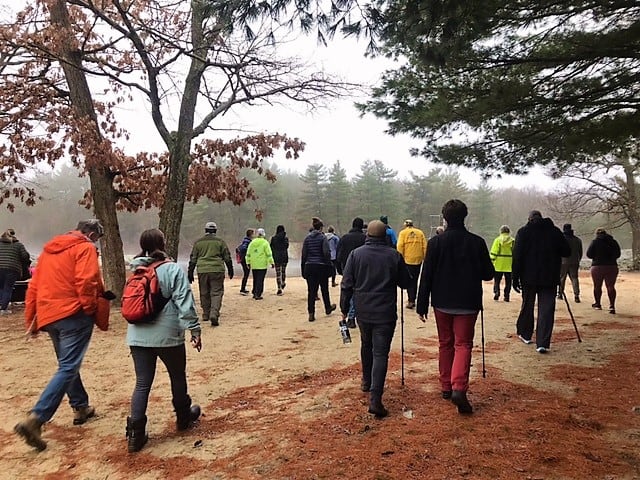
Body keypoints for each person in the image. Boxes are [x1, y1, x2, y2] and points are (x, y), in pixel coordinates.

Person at [14, 219, 106, 451]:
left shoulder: (48, 250)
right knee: (68, 366)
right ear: (92, 234)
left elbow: (34, 286)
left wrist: (32, 318)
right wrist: (89, 308)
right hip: (73, 313)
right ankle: (36, 418)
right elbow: (87, 280)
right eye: (98, 239)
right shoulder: (85, 248)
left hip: (49, 315)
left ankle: (80, 406)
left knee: (67, 363)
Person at [125, 229, 202, 453]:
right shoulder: (172, 269)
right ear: (163, 243)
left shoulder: (136, 270)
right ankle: (183, 418)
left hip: (137, 335)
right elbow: (184, 302)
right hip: (168, 335)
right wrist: (194, 329)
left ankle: (135, 435)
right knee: (177, 375)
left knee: (142, 383)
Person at [416, 200, 494, 415]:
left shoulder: (435, 243)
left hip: (441, 301)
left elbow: (427, 276)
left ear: (445, 218)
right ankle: (458, 386)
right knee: (463, 344)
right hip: (468, 302)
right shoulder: (476, 242)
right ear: (465, 216)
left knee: (445, 343)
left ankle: (446, 386)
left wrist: (421, 303)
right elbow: (488, 273)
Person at [340, 219, 411, 418]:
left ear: (368, 235)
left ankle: (366, 381)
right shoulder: (393, 255)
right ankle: (375, 398)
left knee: (366, 345)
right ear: (384, 235)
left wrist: (344, 309)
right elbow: (405, 283)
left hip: (363, 311)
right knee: (381, 353)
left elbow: (346, 284)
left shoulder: (356, 255)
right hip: (385, 312)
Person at [512, 210, 570, 354]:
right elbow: (566, 251)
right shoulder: (554, 232)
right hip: (550, 277)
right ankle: (542, 343)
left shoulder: (523, 232)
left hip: (528, 277)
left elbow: (517, 256)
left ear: (529, 219)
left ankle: (525, 334)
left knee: (527, 305)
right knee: (546, 310)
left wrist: (515, 277)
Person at [188, 222, 234, 327]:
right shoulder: (220, 242)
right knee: (216, 292)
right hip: (217, 269)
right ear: (215, 231)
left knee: (204, 292)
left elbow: (193, 259)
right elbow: (227, 257)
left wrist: (190, 272)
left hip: (202, 270)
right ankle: (214, 313)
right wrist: (230, 269)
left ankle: (206, 313)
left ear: (205, 230)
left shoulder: (198, 243)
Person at [301, 217, 336, 322]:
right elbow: (326, 252)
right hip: (321, 266)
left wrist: (303, 267)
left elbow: (304, 254)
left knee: (311, 291)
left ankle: (311, 313)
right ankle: (327, 308)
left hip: (309, 266)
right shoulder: (322, 238)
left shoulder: (307, 238)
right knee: (324, 288)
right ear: (321, 228)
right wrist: (328, 264)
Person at [336, 217, 367, 328]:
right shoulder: (365, 238)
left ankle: (349, 315)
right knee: (358, 292)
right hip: (362, 269)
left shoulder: (344, 238)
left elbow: (338, 256)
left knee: (348, 291)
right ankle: (355, 316)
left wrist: (339, 269)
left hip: (347, 268)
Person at [586, 227, 621, 314]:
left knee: (597, 286)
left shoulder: (595, 242)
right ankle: (612, 306)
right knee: (610, 286)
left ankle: (598, 304)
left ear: (597, 234)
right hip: (612, 266)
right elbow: (618, 254)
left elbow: (589, 254)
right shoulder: (613, 242)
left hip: (597, 266)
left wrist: (596, 257)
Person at [396, 219, 427, 309]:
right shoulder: (420, 233)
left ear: (405, 225)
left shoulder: (403, 233)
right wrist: (425, 257)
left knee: (409, 280)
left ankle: (411, 300)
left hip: (407, 260)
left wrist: (399, 258)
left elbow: (400, 246)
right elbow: (424, 246)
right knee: (415, 280)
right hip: (418, 259)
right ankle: (413, 298)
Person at [0, 229, 30, 313]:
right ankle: (3, 309)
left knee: (1, 287)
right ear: (13, 236)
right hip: (12, 269)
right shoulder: (18, 245)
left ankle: (1, 304)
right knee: (7, 288)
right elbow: (25, 256)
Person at [245, 228, 274, 300]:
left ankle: (254, 292)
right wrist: (272, 262)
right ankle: (258, 293)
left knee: (255, 278)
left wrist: (248, 262)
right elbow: (269, 254)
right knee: (260, 279)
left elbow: (248, 253)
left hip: (254, 264)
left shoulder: (252, 242)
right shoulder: (265, 243)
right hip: (262, 264)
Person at [558, 224, 583, 303]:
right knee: (574, 278)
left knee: (562, 278)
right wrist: (578, 259)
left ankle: (560, 294)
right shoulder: (577, 240)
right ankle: (576, 295)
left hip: (563, 261)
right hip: (575, 261)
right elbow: (580, 252)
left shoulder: (561, 239)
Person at [489, 225, 515, 302]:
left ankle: (497, 292)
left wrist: (492, 261)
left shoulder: (497, 240)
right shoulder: (513, 241)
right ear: (509, 231)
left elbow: (494, 252)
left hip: (498, 264)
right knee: (508, 281)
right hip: (509, 264)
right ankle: (506, 296)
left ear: (501, 231)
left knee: (497, 280)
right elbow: (515, 252)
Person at [270, 225, 289, 296]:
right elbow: (287, 246)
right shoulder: (285, 238)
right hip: (284, 257)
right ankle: (283, 282)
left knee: (278, 273)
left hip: (276, 257)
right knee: (283, 271)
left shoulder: (273, 238)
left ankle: (279, 288)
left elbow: (271, 248)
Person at [236, 229, 254, 295]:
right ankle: (242, 289)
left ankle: (243, 288)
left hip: (243, 259)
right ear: (251, 235)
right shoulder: (247, 241)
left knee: (246, 274)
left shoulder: (246, 240)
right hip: (245, 260)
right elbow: (244, 248)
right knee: (246, 274)